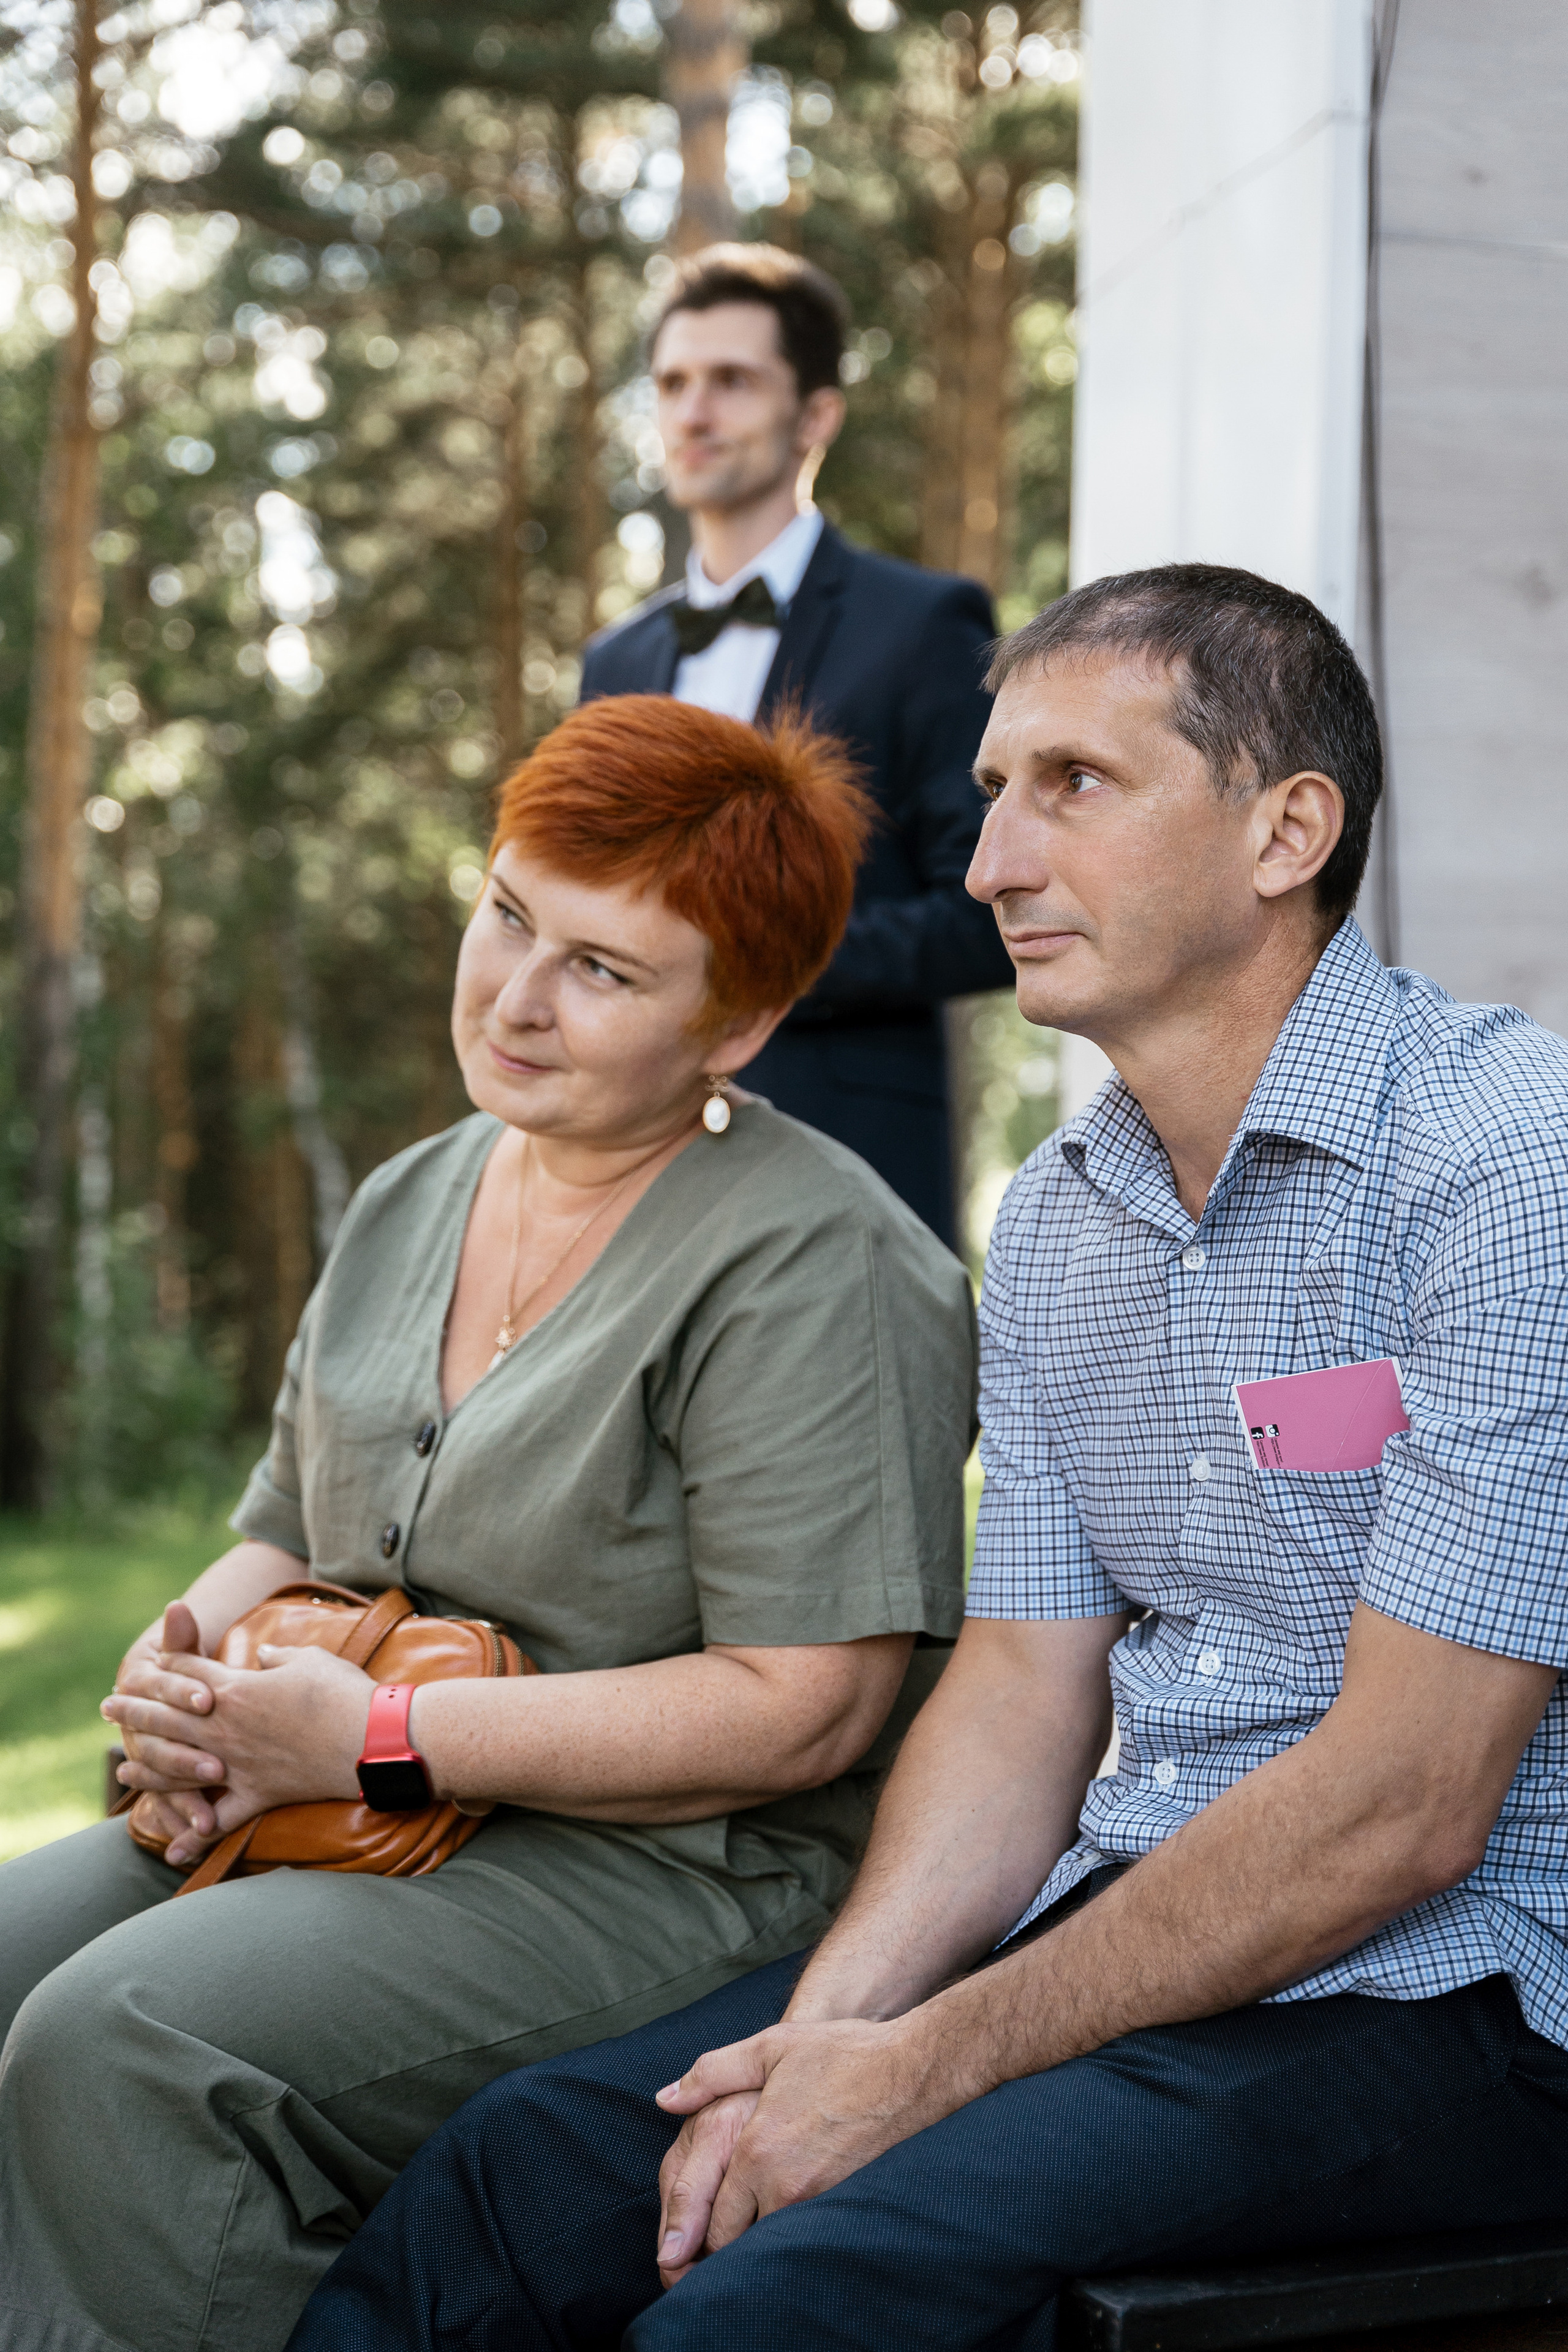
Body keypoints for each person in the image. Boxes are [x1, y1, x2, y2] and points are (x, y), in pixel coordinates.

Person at [288, 565, 1568, 2352]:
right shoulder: (1054, 1222)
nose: (987, 867)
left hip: (1467, 1990)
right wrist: (830, 2034)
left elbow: (1409, 1807)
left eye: (1074, 785)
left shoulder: (1506, 1167)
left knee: (776, 2307)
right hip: (1127, 1920)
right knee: (515, 2183)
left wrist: (920, 2070)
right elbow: (1023, 1686)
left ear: (1285, 832)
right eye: (991, 792)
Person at [0, 695, 978, 2352]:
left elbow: (806, 1704)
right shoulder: (418, 1192)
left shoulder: (822, 1264)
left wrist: (380, 1739)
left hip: (670, 1866)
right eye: (509, 915)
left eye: (601, 968)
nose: (515, 996)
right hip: (341, 1798)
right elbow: (287, 1535)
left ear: (737, 1026)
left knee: (129, 2037)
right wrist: (176, 1689)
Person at [579, 243, 1014, 1246]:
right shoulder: (615, 660)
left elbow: (989, 912)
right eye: (673, 384)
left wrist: (744, 966)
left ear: (816, 415)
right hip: (630, 1169)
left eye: (732, 380)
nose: (693, 412)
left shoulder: (923, 624)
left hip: (843, 1160)